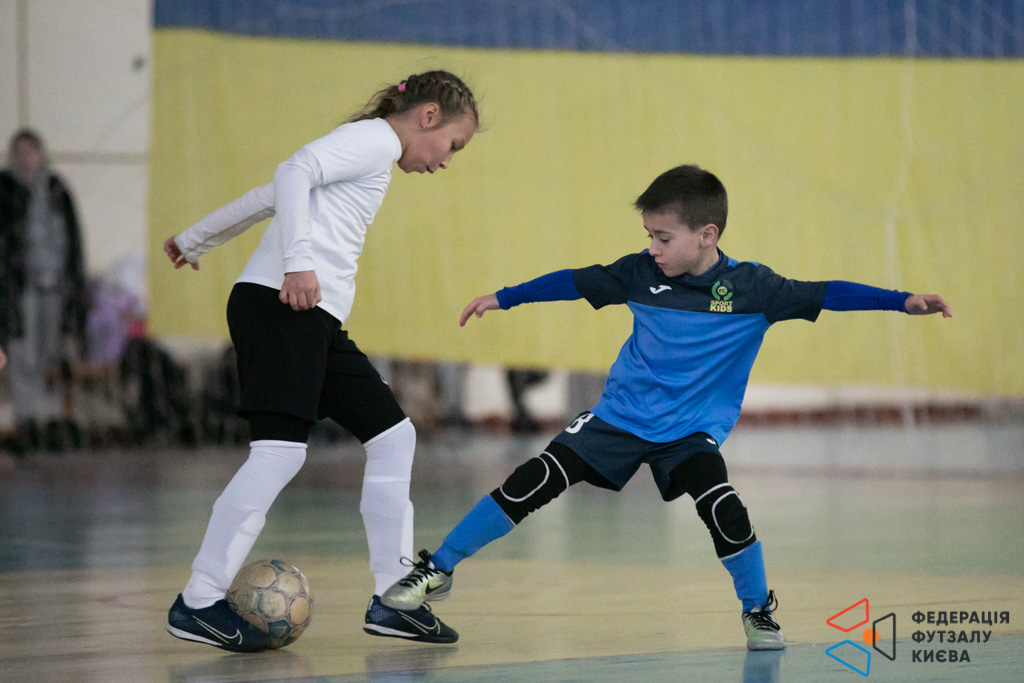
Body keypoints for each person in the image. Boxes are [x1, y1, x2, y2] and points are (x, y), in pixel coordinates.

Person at [380, 164, 953, 650]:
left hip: (690, 430)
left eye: (663, 238)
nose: (652, 248)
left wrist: (903, 301)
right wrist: (505, 298)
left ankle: (757, 609)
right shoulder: (638, 273)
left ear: (707, 234)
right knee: (534, 479)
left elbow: (826, 292)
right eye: (649, 236)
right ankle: (437, 569)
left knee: (722, 505)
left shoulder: (754, 289)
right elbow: (576, 282)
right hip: (619, 418)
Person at [162, 70, 479, 652]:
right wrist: (298, 263)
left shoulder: (370, 152)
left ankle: (394, 600)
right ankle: (199, 601)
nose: (446, 161)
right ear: (428, 116)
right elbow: (293, 171)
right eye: (453, 145)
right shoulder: (377, 139)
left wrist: (197, 238)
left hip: (308, 315)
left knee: (393, 436)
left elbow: (272, 194)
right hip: (283, 305)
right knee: (279, 453)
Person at [0, 129, 88, 454]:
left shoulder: (56, 189)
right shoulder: (5, 191)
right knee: (23, 354)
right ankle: (28, 421)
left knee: (52, 354)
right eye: (19, 152)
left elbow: (74, 239)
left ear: (41, 154)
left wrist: (76, 283)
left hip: (56, 287)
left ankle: (52, 421)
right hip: (20, 289)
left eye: (30, 151)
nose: (25, 158)